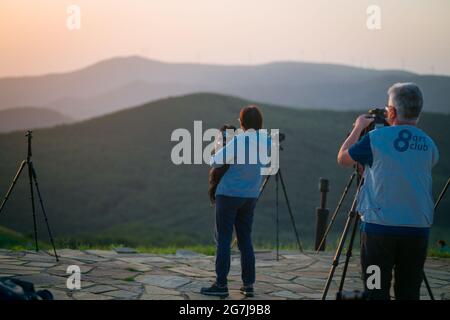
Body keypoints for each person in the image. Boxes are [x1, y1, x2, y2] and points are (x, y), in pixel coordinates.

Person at [337, 83, 439, 300]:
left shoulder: (375, 139)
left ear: (391, 112)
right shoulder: (429, 144)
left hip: (378, 233)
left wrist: (358, 127)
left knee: (375, 289)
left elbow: (343, 158)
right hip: (416, 231)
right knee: (409, 291)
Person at [201, 105, 270, 298]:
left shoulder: (239, 140)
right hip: (250, 195)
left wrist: (218, 146)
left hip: (229, 194)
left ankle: (221, 284)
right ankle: (248, 285)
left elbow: (215, 161)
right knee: (245, 240)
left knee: (223, 240)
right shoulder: (266, 140)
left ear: (242, 122)